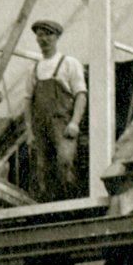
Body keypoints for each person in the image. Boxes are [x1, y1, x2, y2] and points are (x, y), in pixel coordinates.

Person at [18, 18, 89, 200]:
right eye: (40, 35)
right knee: (42, 170)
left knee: (65, 163)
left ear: (56, 37)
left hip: (63, 125)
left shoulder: (69, 63)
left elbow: (81, 94)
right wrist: (29, 131)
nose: (44, 39)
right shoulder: (33, 69)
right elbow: (27, 102)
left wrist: (74, 122)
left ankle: (71, 208)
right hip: (41, 128)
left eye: (48, 34)